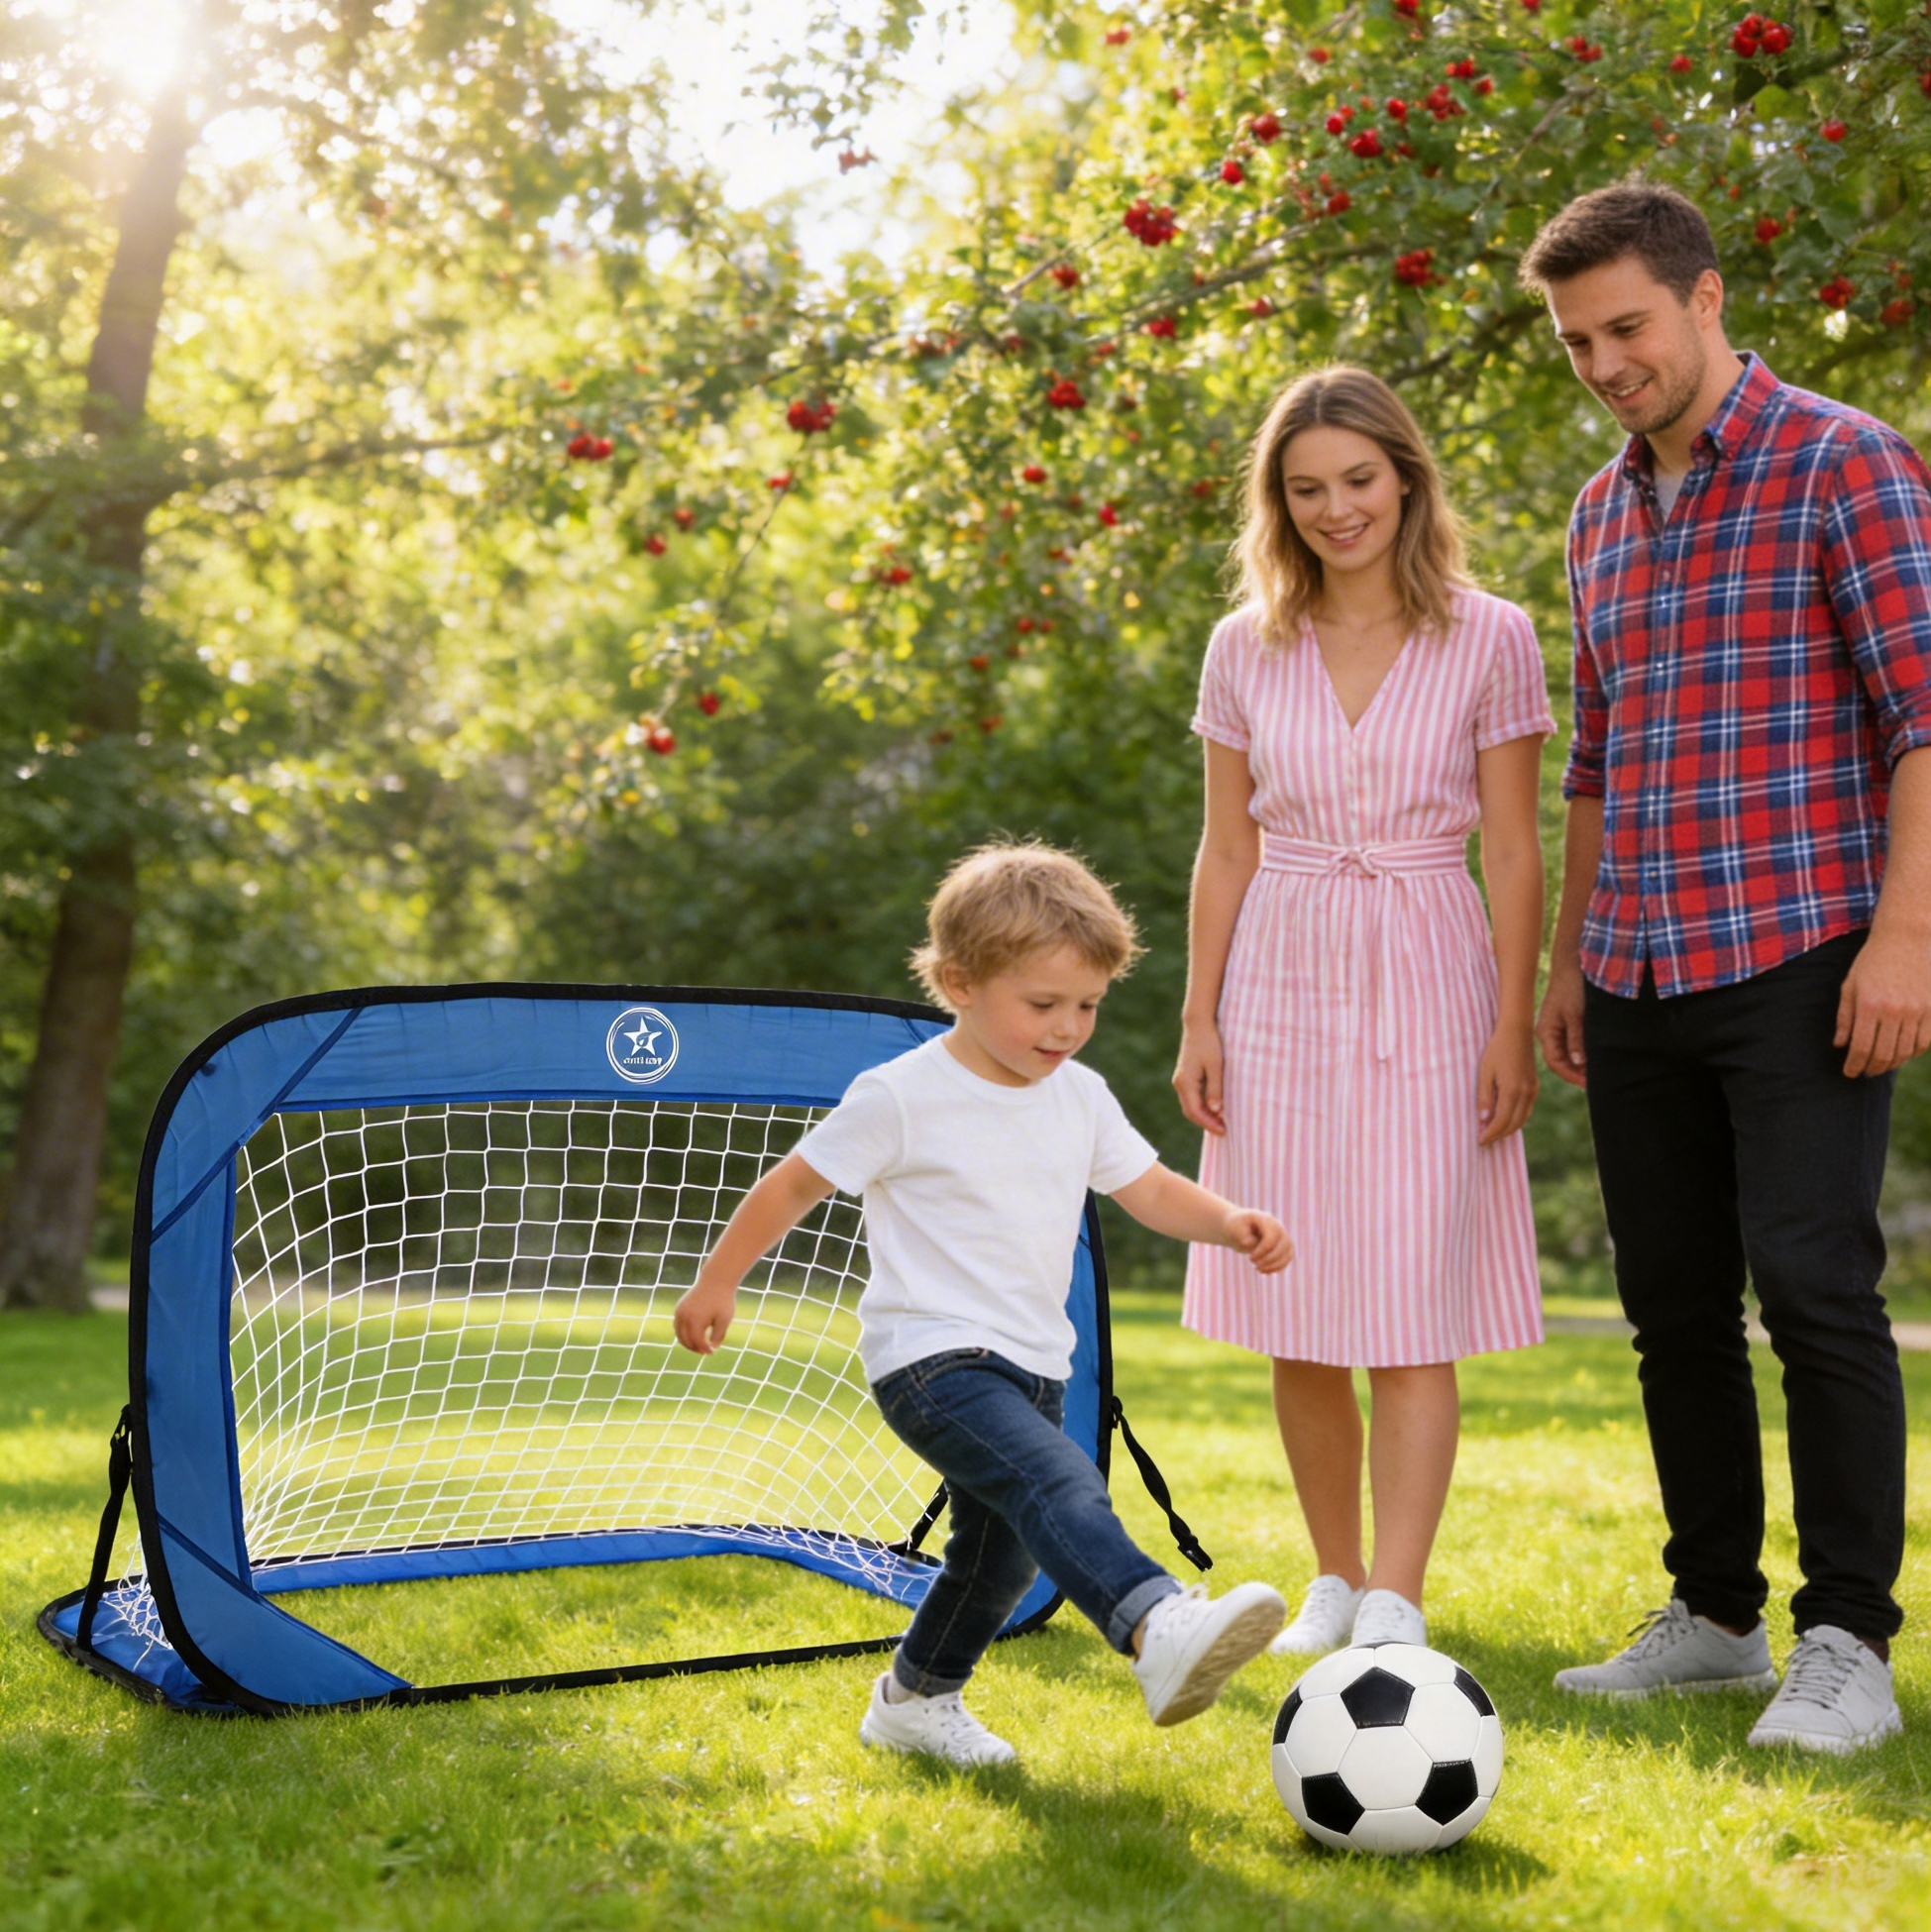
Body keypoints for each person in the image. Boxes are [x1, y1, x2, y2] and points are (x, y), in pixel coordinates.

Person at [1521, 181, 1931, 1753]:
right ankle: (1711, 1614)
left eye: (1625, 326)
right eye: (1576, 343)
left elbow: (1921, 718)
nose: (1605, 362)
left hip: (1803, 950)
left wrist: (1904, 936)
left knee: (1817, 1290)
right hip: (1635, 962)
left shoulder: (1848, 461)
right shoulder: (1595, 510)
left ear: (1703, 297)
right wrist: (1569, 960)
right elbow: (1596, 763)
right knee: (1669, 1305)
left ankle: (1848, 1643)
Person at [673, 840, 1293, 1768]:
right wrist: (718, 1279)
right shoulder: (902, 1095)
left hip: (1035, 1361)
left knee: (999, 1558)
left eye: (1086, 1005)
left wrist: (1228, 1220)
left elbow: (1150, 1188)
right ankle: (1151, 1620)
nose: (1067, 1028)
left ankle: (914, 1702)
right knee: (1059, 1483)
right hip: (929, 1361)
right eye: (1042, 1005)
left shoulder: (1078, 1097)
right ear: (959, 982)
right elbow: (791, 1185)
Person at [1174, 366, 1553, 1658]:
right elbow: (1223, 850)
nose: (1337, 508)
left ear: (1406, 478)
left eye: (1357, 480)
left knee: (1403, 1293)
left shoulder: (1490, 634)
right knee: (1295, 1293)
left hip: (1429, 968)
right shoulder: (1245, 645)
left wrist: (1511, 1020)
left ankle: (1396, 1591)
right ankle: (1331, 1575)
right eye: (1306, 488)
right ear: (1277, 505)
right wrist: (1197, 1018)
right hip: (1276, 966)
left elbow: (1512, 850)